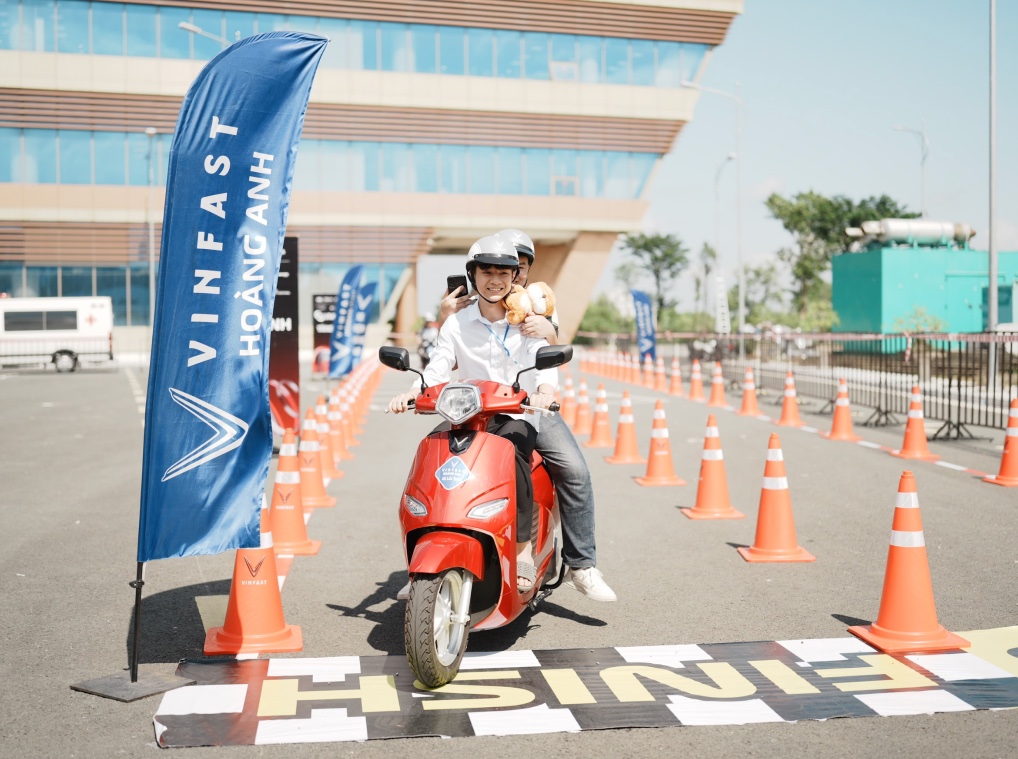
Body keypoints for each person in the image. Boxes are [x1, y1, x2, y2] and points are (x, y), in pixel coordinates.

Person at [389, 235, 557, 592]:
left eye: (503, 273)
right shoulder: (456, 323)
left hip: (517, 415)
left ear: (514, 277)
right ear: (473, 275)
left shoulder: (527, 322)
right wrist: (413, 393)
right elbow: (437, 368)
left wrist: (545, 390)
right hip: (467, 414)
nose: (495, 280)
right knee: (431, 449)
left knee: (513, 451)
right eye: (486, 272)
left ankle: (523, 551)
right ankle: (427, 546)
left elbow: (542, 361)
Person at [494, 228, 617, 603]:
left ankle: (581, 565)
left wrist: (549, 331)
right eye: (505, 265)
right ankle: (424, 567)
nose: (513, 273)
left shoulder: (541, 302)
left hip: (534, 407)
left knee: (575, 471)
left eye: (520, 266)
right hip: (480, 405)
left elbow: (556, 349)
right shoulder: (477, 301)